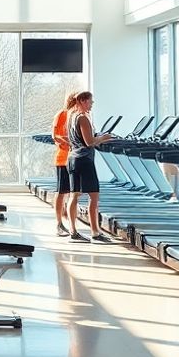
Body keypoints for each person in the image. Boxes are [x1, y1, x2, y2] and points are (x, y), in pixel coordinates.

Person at [66, 91, 115, 243]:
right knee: (94, 196)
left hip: (73, 159)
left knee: (74, 195)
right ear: (82, 101)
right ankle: (95, 232)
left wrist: (99, 138)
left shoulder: (71, 117)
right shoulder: (82, 118)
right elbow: (89, 142)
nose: (92, 104)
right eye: (90, 101)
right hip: (84, 160)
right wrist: (105, 137)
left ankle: (73, 232)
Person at [51, 92, 78, 237]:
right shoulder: (62, 114)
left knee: (73, 192)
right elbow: (54, 136)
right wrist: (68, 141)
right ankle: (59, 224)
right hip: (63, 158)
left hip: (75, 159)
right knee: (61, 191)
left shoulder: (78, 117)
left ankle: (69, 221)